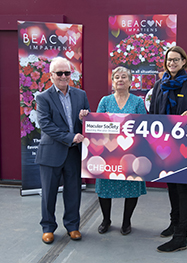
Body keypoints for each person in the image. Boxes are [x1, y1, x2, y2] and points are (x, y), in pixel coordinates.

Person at [149, 46, 187, 252]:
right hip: (163, 144)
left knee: (182, 188)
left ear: (183, 62)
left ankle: (182, 236)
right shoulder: (159, 85)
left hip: (183, 145)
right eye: (169, 60)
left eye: (176, 60)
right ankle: (174, 223)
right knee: (171, 185)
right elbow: (153, 114)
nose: (172, 63)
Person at [35, 57, 90, 244]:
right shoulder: (42, 98)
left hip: (73, 153)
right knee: (49, 193)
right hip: (51, 153)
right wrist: (70, 137)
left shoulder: (80, 95)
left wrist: (84, 119)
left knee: (73, 191)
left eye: (67, 73)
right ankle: (48, 227)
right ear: (51, 76)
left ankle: (73, 226)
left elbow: (88, 121)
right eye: (59, 73)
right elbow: (46, 125)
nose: (64, 76)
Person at [95, 66, 147, 235]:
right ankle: (106, 220)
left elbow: (143, 126)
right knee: (104, 187)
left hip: (131, 152)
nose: (120, 79)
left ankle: (126, 222)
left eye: (124, 77)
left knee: (131, 187)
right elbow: (97, 126)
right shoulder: (105, 101)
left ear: (130, 82)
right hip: (108, 153)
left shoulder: (138, 102)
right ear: (113, 81)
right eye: (116, 77)